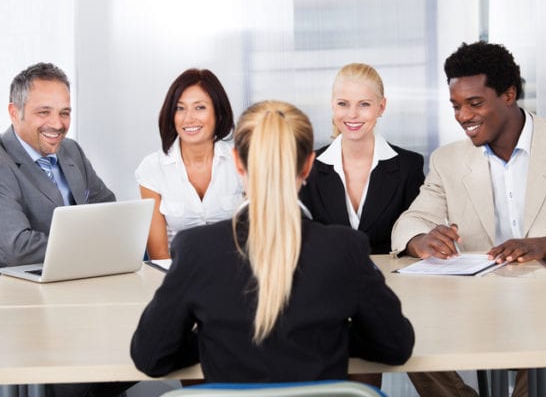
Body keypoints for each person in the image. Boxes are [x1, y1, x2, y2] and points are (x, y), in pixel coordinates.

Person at [130, 100, 414, 382]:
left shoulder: (196, 249)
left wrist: (212, 340)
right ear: (308, 166)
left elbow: (151, 356)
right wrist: (332, 337)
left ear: (238, 164)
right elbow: (394, 346)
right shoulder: (345, 248)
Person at [392, 41, 546, 396]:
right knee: (400, 332)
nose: (463, 116)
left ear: (509, 94)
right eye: (456, 105)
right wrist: (419, 239)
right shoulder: (448, 160)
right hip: (477, 306)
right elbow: (412, 219)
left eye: (475, 103)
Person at [0, 62, 129, 397]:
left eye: (65, 112)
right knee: (86, 376)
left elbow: (107, 206)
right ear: (14, 111)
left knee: (140, 348)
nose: (57, 124)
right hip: (3, 311)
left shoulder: (70, 151)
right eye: (44, 112)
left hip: (67, 300)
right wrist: (95, 250)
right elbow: (17, 248)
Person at [300, 63, 424, 255]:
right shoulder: (307, 166)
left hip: (392, 282)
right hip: (326, 281)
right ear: (332, 105)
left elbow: (415, 233)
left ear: (381, 107)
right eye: (343, 104)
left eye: (364, 104)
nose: (352, 114)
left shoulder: (408, 166)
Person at [135, 68, 244, 259]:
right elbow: (159, 254)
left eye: (200, 107)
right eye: (180, 108)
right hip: (178, 277)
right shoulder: (152, 168)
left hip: (236, 275)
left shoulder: (243, 161)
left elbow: (257, 238)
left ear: (218, 113)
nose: (188, 118)